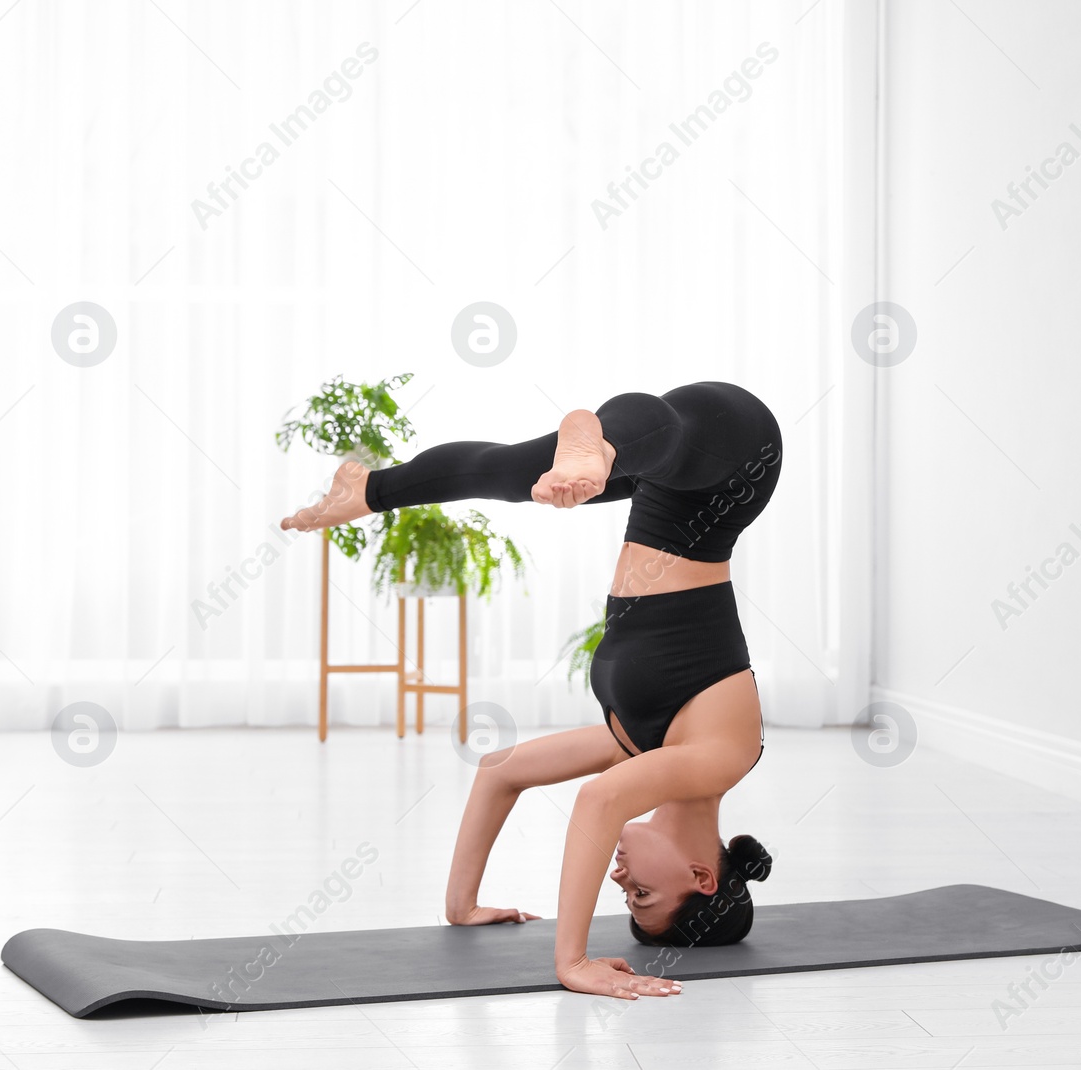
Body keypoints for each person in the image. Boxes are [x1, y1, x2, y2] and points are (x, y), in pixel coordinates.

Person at [280, 381, 782, 999]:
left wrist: (461, 906)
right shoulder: (721, 758)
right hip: (736, 458)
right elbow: (600, 803)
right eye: (641, 892)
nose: (620, 879)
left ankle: (368, 489)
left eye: (623, 893)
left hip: (668, 477)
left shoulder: (643, 747)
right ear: (703, 877)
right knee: (662, 435)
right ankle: (594, 444)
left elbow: (501, 771)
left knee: (511, 471)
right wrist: (572, 961)